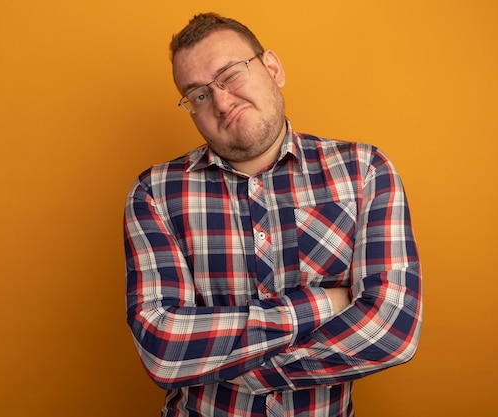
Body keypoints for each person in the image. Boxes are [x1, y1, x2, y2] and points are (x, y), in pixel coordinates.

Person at [124, 12, 422, 417]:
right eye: (198, 95)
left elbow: (392, 329)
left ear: (273, 68)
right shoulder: (155, 193)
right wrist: (325, 305)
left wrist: (235, 368)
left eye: (230, 74)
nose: (222, 102)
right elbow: (164, 348)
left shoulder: (364, 170)